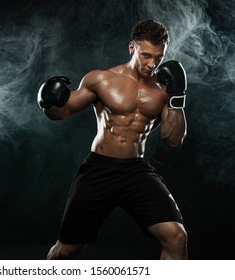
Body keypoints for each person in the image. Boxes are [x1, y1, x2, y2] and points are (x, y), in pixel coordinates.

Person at [37, 20, 188, 260]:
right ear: (132, 48)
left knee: (176, 237)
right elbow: (62, 112)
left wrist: (177, 97)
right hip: (99, 169)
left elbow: (173, 140)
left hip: (136, 171)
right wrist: (48, 101)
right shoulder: (101, 79)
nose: (152, 64)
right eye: (146, 55)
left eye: (158, 57)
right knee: (67, 249)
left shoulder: (164, 90)